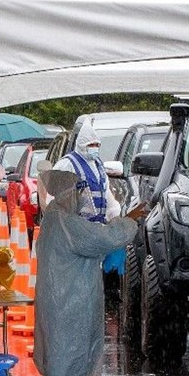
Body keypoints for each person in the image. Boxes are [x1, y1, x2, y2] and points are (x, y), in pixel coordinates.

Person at [33, 171, 146, 376]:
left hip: (64, 301)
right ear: (67, 194)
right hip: (70, 302)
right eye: (78, 191)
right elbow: (103, 238)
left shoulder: (56, 220)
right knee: (72, 352)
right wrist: (128, 220)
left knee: (70, 350)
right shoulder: (64, 222)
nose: (82, 197)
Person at [53, 118, 127, 277]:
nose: (94, 148)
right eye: (90, 145)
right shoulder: (67, 164)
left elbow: (106, 194)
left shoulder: (98, 166)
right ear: (81, 144)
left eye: (97, 145)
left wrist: (115, 216)